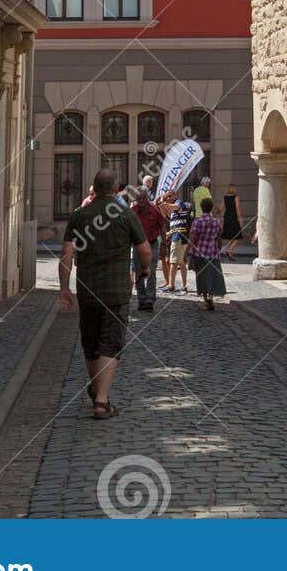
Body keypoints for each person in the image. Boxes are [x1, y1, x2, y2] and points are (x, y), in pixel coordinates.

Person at [59, 170, 150, 420]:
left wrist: (64, 288)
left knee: (91, 343)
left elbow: (66, 254)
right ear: (115, 187)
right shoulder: (125, 213)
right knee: (110, 342)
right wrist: (145, 269)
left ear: (95, 189)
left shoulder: (79, 216)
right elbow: (145, 250)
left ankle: (99, 393)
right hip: (116, 292)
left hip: (87, 291)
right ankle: (101, 400)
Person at [132, 182, 166, 310]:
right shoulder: (132, 211)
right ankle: (141, 300)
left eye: (142, 198)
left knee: (151, 271)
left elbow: (162, 227)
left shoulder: (154, 210)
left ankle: (150, 300)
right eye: (138, 198)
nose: (140, 201)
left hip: (152, 244)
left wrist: (164, 243)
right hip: (137, 246)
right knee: (139, 272)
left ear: (147, 198)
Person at [188, 200, 227, 311]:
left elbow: (193, 238)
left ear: (201, 207)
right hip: (213, 252)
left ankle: (206, 299)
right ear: (211, 208)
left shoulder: (197, 222)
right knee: (212, 275)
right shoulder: (217, 222)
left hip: (200, 252)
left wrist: (188, 250)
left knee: (202, 276)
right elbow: (219, 238)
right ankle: (210, 296)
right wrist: (218, 249)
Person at [167, 195, 193, 292]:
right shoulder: (176, 212)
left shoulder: (179, 202)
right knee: (181, 263)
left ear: (174, 196)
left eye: (169, 196)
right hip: (181, 236)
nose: (167, 197)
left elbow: (175, 206)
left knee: (173, 262)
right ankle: (184, 285)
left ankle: (171, 285)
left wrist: (164, 203)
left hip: (178, 237)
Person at [221, 183, 243, 260]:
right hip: (233, 217)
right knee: (238, 236)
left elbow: (221, 208)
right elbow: (238, 208)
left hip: (227, 217)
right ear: (233, 189)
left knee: (231, 236)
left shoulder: (225, 197)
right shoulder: (236, 197)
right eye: (234, 188)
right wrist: (240, 218)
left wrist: (216, 209)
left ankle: (229, 252)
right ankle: (229, 250)